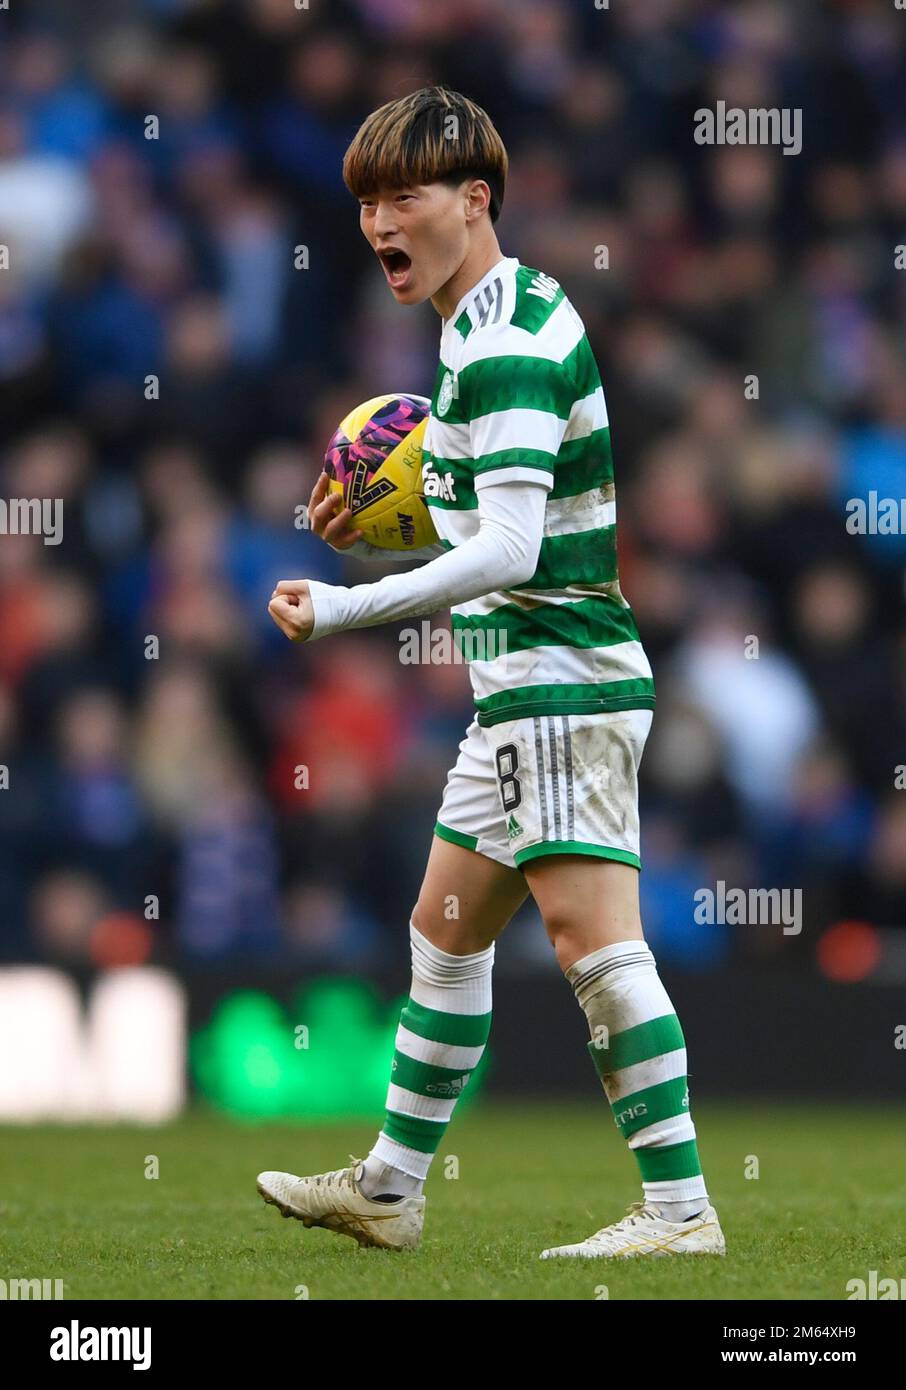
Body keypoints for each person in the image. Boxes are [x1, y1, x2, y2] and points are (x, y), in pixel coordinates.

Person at [259, 86, 725, 1260]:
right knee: (448, 930)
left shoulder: (505, 339)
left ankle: (680, 1214)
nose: (377, 225)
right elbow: (500, 527)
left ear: (475, 201)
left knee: (593, 946)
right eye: (365, 202)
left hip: (560, 678)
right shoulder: (484, 321)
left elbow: (513, 553)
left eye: (401, 197)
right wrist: (380, 534)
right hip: (517, 690)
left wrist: (345, 607)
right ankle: (392, 1188)